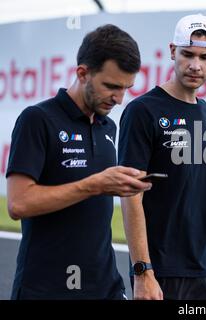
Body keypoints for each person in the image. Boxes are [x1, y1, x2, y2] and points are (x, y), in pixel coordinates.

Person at [6, 24, 152, 300]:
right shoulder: (37, 119)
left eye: (126, 88)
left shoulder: (108, 127)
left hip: (104, 285)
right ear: (82, 73)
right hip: (46, 288)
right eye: (111, 86)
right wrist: (95, 185)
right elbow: (18, 204)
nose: (119, 99)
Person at [118, 14, 206, 300]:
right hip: (160, 270)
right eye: (187, 54)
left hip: (205, 268)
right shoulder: (142, 111)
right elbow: (130, 196)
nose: (195, 65)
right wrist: (143, 271)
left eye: (204, 56)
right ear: (173, 51)